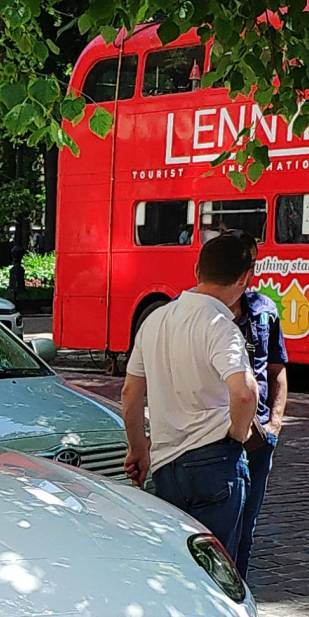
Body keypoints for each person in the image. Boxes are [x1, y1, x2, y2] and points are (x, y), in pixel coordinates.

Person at [121, 230, 259, 567]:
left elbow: (130, 394)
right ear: (245, 277)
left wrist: (139, 449)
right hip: (214, 461)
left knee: (179, 568)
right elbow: (244, 392)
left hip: (168, 465)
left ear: (197, 269)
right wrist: (238, 435)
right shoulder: (220, 326)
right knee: (217, 570)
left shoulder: (155, 320)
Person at [232, 276, 290, 575]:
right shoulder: (194, 311)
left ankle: (239, 593)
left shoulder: (264, 309)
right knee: (214, 530)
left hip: (259, 436)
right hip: (216, 436)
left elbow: (277, 368)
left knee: (245, 528)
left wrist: (275, 423)